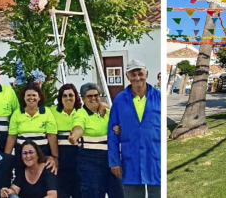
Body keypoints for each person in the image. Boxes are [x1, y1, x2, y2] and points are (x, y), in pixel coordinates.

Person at [108, 60, 161, 198]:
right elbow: (112, 133)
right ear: (127, 77)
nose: (137, 78)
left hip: (155, 158)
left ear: (146, 74)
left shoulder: (159, 97)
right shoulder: (119, 100)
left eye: (140, 73)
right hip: (130, 160)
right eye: (133, 74)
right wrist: (114, 161)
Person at [69, 83, 123, 198]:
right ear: (83, 98)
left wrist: (119, 128)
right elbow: (78, 127)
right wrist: (74, 136)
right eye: (89, 96)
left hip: (111, 159)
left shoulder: (108, 112)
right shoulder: (81, 114)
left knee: (119, 193)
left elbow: (121, 121)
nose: (93, 98)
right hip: (90, 161)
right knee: (93, 194)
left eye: (96, 95)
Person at [5, 82, 59, 167]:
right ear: (24, 97)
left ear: (39, 97)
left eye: (34, 95)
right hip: (22, 155)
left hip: (42, 153)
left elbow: (51, 136)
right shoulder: (17, 113)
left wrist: (55, 157)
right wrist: (6, 158)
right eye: (28, 95)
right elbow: (12, 137)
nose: (31, 98)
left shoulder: (47, 113)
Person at [51, 83, 82, 198]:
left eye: (71, 95)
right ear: (60, 98)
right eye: (64, 95)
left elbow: (100, 105)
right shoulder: (53, 112)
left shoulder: (81, 112)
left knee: (79, 192)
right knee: (62, 192)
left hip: (78, 157)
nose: (68, 98)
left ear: (76, 97)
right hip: (61, 157)